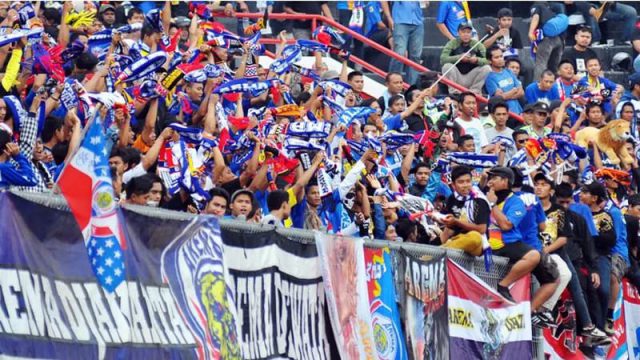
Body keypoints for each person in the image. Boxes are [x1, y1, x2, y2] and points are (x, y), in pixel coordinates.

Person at [485, 167, 542, 304]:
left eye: (494, 178)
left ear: (505, 181)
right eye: (490, 178)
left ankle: (503, 286)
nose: (490, 181)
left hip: (507, 243)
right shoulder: (483, 196)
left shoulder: (516, 202)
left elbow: (506, 225)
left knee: (534, 256)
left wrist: (492, 204)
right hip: (485, 243)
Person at [580, 182, 617, 332]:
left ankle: (601, 328)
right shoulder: (576, 213)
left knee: (602, 290)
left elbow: (611, 239)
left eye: (585, 193)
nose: (581, 195)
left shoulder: (605, 217)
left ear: (594, 198)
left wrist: (590, 237)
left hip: (600, 256)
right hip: (580, 257)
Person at [438, 166, 488, 257]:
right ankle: (434, 252)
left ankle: (437, 255)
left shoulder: (480, 200)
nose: (465, 185)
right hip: (456, 240)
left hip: (477, 244)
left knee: (474, 237)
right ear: (453, 185)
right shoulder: (451, 198)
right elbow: (449, 228)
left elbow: (482, 229)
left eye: (468, 181)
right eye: (461, 182)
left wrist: (456, 221)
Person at [440, 22, 491, 95]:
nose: (466, 34)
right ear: (458, 33)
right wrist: (459, 58)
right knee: (447, 66)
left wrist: (477, 60)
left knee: (487, 68)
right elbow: (443, 59)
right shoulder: (452, 43)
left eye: (468, 32)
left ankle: (474, 91)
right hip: (457, 77)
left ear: (471, 34)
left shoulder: (477, 45)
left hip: (472, 77)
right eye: (463, 32)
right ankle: (454, 91)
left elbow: (487, 60)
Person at [386, 1, 424, 86]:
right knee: (399, 54)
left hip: (418, 21)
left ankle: (411, 88)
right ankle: (393, 83)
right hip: (400, 21)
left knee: (416, 56)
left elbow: (425, 4)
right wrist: (389, 17)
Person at [528, 2, 566, 81]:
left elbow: (536, 16)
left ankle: (538, 88)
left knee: (541, 65)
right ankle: (554, 88)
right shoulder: (552, 9)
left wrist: (531, 32)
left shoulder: (537, 5)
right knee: (554, 67)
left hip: (546, 39)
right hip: (559, 40)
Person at [484, 46, 524, 114]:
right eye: (496, 57)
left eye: (501, 56)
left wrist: (507, 95)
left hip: (518, 112)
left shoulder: (509, 72)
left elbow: (521, 92)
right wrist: (513, 90)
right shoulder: (490, 78)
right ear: (489, 61)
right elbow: (500, 98)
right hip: (505, 114)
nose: (500, 59)